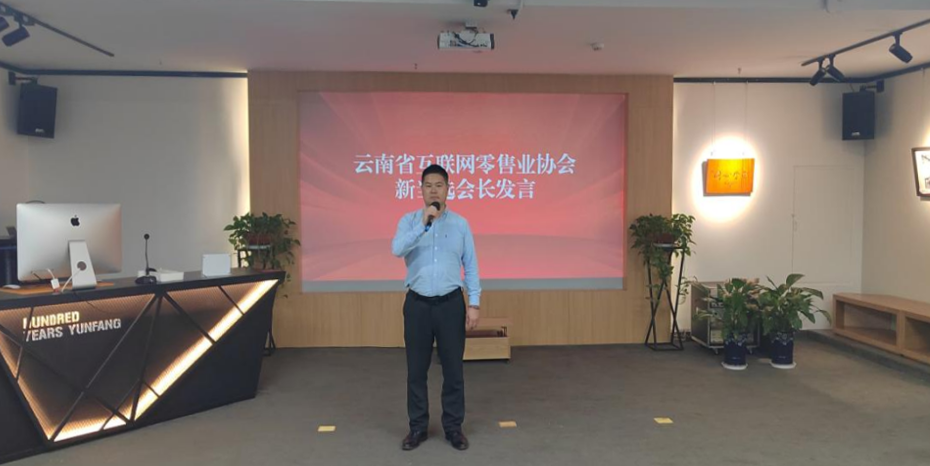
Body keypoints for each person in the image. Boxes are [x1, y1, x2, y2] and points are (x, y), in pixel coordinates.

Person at [391, 164, 481, 451]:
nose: (433, 190)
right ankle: (417, 427)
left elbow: (471, 265)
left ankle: (453, 427)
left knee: (453, 370)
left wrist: (474, 303)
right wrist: (423, 224)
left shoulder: (461, 225)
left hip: (450, 304)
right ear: (420, 190)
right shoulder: (409, 221)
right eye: (428, 185)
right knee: (416, 371)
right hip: (417, 304)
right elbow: (397, 249)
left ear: (448, 189)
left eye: (439, 185)